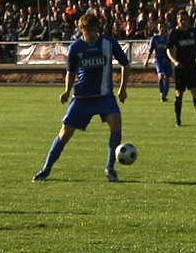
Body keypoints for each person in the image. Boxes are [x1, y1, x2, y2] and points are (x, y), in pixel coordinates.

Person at [32, 12, 130, 183]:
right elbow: (70, 72)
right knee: (64, 134)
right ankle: (45, 170)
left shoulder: (109, 43)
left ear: (97, 29)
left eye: (93, 30)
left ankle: (110, 168)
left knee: (116, 122)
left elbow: (125, 64)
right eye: (86, 31)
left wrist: (123, 89)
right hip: (82, 98)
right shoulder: (76, 47)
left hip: (104, 97)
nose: (90, 34)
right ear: (81, 30)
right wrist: (66, 91)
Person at [167, 10, 196, 127]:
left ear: (188, 19)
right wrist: (174, 62)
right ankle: (178, 120)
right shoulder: (174, 33)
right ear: (177, 20)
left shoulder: (193, 32)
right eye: (180, 18)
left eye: (184, 18)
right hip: (180, 67)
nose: (182, 20)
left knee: (195, 92)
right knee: (179, 93)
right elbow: (168, 50)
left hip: (191, 66)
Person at [143, 22, 173, 102]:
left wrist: (174, 59)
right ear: (158, 28)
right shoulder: (154, 38)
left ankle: (164, 95)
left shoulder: (168, 38)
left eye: (163, 27)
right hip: (159, 59)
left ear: (165, 27)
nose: (162, 29)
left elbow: (172, 49)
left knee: (167, 78)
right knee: (161, 76)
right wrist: (146, 60)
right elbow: (150, 50)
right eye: (160, 27)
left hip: (167, 60)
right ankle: (162, 93)